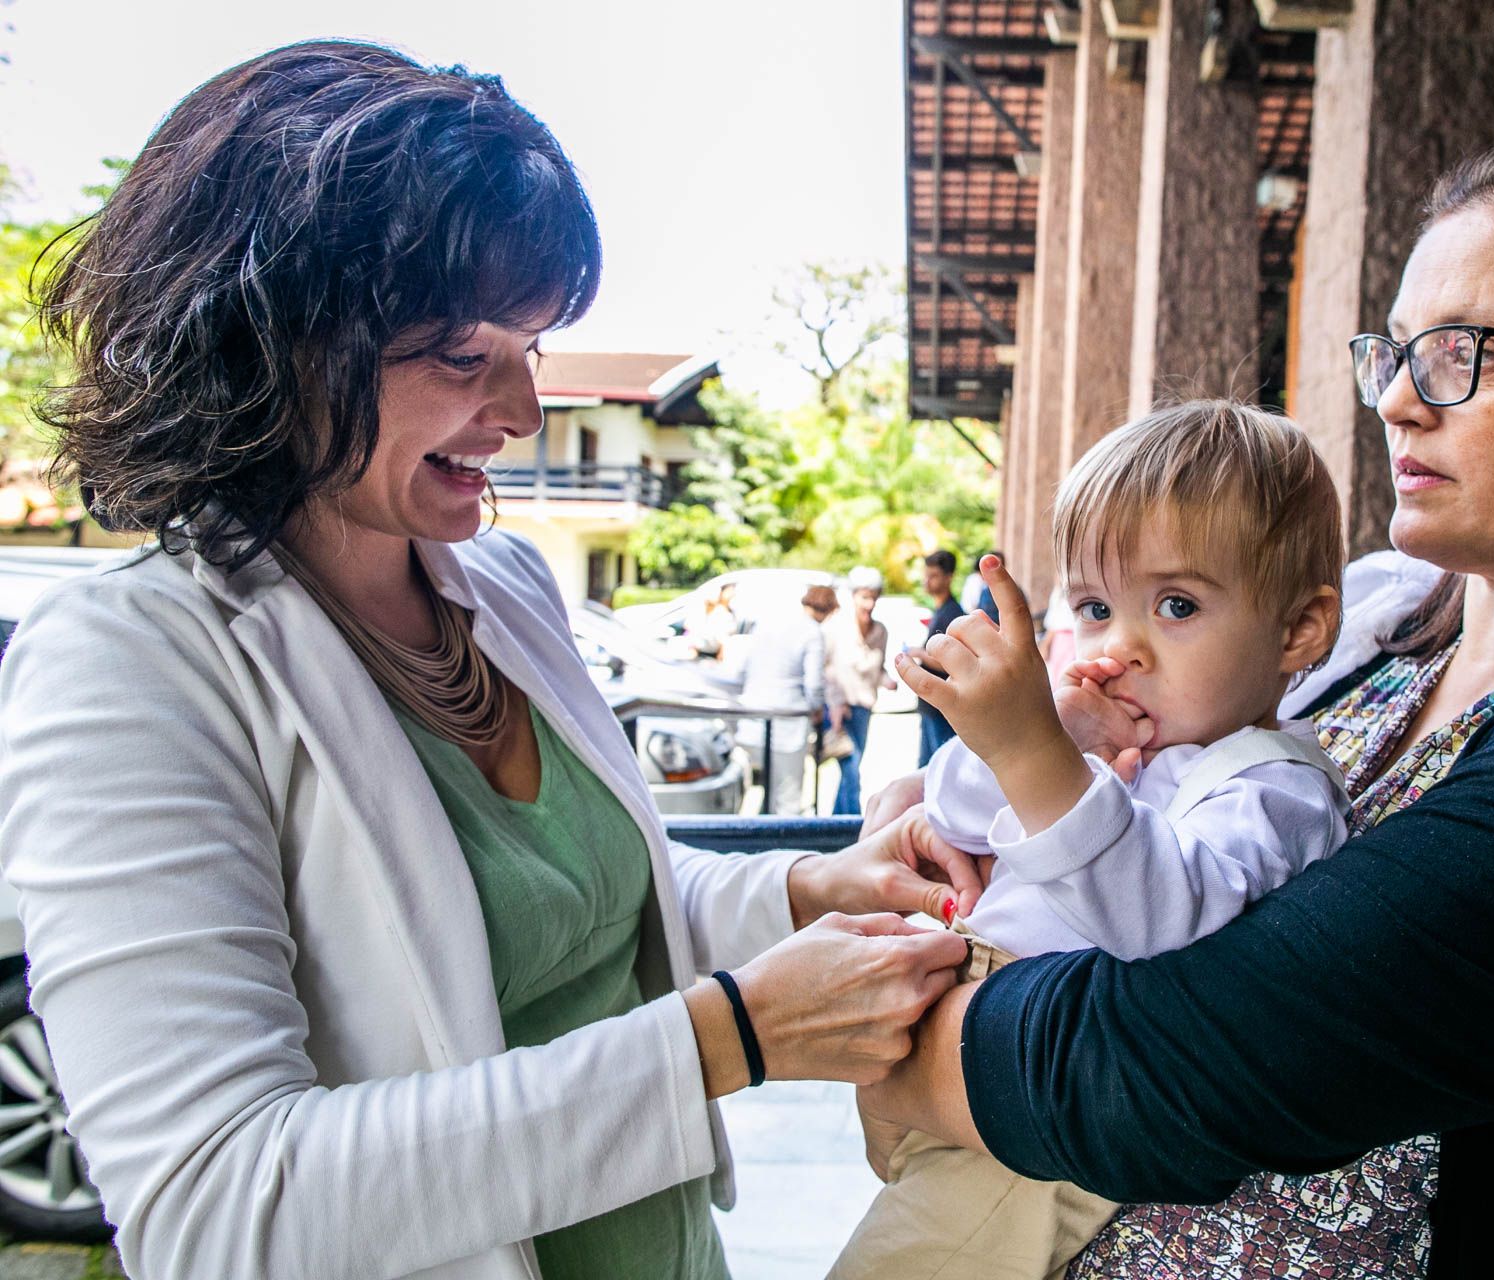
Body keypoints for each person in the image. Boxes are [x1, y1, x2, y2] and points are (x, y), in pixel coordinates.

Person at [0, 43, 982, 1280]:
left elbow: (589, 908)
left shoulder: (506, 587)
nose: (521, 409)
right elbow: (220, 1201)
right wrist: (731, 1036)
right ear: (269, 341)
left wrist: (811, 888)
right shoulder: (130, 666)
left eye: (533, 345)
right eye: (464, 353)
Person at [860, 132, 1494, 1278]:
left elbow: (1155, 1073)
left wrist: (872, 1024)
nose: (1397, 399)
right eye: (1393, 353)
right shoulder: (1369, 638)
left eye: (1463, 352)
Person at [832, 403, 1350, 1280]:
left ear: (1299, 630)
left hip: (1037, 1126)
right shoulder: (1117, 742)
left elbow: (1162, 917)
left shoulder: (1272, 785)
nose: (1121, 647)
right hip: (960, 1064)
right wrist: (1036, 734)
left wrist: (1043, 759)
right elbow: (958, 812)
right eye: (1095, 606)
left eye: (1177, 605)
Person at [739, 584, 839, 814]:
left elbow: (742, 669)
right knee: (787, 797)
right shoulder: (812, 633)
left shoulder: (768, 623)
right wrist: (816, 708)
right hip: (788, 724)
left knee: (764, 793)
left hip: (752, 718)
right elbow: (814, 684)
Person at [824, 566, 896, 816]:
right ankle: (852, 826)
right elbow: (825, 669)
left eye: (874, 597)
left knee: (850, 774)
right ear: (853, 596)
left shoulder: (880, 631)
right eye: (864, 596)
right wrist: (834, 703)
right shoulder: (835, 628)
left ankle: (835, 824)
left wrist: (888, 680)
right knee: (852, 772)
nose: (869, 603)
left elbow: (879, 668)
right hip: (839, 711)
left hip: (864, 708)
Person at [910, 548, 964, 766]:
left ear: (948, 577)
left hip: (941, 706)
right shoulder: (940, 611)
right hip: (930, 703)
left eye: (934, 576)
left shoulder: (952, 614)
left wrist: (919, 653)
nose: (927, 581)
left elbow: (952, 662)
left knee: (937, 767)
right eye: (926, 575)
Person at [689, 580, 740, 660]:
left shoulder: (731, 612)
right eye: (729, 590)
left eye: (733, 590)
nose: (732, 594)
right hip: (703, 653)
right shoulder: (714, 610)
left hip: (720, 654)